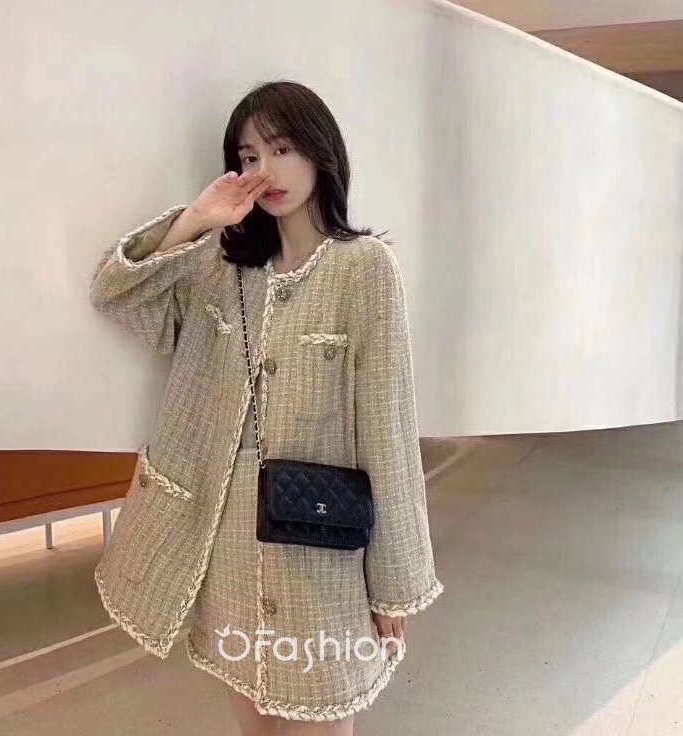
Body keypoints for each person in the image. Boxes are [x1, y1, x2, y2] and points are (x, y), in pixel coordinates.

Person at [89, 80, 444, 736]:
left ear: (320, 151)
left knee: (323, 715)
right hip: (226, 535)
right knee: (253, 724)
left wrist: (393, 584)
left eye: (281, 149)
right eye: (249, 157)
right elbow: (117, 294)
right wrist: (197, 221)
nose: (266, 171)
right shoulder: (220, 267)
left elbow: (388, 430)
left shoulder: (364, 270)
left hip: (320, 546)